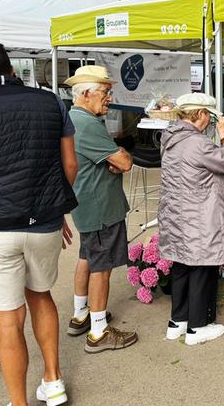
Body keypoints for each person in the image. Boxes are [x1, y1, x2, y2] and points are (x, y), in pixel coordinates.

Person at [0, 38, 78, 406]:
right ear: (9, 68)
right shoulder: (51, 101)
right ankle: (53, 381)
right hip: (44, 223)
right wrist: (53, 207)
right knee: (41, 297)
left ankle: (18, 403)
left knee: (8, 319)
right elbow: (69, 166)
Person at [158, 93, 224, 345]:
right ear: (202, 114)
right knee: (202, 268)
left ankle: (178, 321)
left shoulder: (170, 138)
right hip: (199, 216)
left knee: (182, 265)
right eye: (210, 115)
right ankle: (197, 327)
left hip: (178, 216)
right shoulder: (198, 143)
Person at [65, 65, 137, 353]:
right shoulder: (87, 124)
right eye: (105, 92)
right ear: (86, 93)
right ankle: (98, 331)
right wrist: (118, 158)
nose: (109, 97)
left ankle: (81, 314)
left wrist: (114, 158)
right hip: (100, 207)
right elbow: (124, 162)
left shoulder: (75, 118)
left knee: (87, 257)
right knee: (101, 267)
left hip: (87, 204)